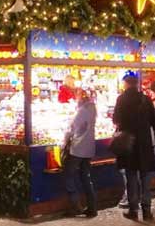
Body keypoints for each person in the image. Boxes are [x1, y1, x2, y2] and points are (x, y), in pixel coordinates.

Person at [113, 74, 155, 221]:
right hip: (144, 144)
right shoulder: (146, 99)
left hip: (129, 144)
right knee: (145, 178)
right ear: (136, 84)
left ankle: (133, 210)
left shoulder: (121, 99)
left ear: (126, 84)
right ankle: (147, 211)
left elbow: (116, 119)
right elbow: (154, 121)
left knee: (131, 177)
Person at [63, 87, 97, 218]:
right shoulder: (92, 108)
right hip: (89, 148)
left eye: (76, 95)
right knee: (85, 177)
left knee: (68, 176)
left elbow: (72, 129)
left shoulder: (82, 111)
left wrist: (64, 141)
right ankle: (92, 207)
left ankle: (76, 206)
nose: (75, 97)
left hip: (78, 148)